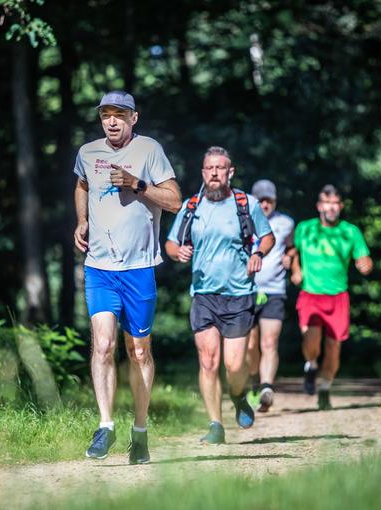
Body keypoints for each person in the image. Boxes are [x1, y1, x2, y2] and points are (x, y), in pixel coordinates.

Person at [73, 90, 182, 464]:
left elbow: (174, 200)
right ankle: (105, 425)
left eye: (120, 114)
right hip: (100, 267)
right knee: (103, 345)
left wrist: (137, 184)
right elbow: (81, 184)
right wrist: (82, 219)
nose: (112, 121)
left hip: (139, 268)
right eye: (106, 115)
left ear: (134, 118)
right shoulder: (88, 152)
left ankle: (140, 430)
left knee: (138, 351)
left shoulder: (149, 150)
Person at [165, 146, 275, 444]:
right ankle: (215, 424)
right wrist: (179, 253)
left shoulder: (246, 204)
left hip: (239, 294)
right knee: (208, 360)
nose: (214, 173)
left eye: (220, 168)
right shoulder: (191, 207)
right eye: (209, 168)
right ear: (203, 172)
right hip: (203, 294)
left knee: (235, 365)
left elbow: (267, 237)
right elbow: (171, 244)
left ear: (230, 172)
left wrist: (258, 253)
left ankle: (238, 396)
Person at [290, 185, 373, 410]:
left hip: (338, 296)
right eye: (327, 202)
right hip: (311, 294)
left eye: (335, 203)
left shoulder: (350, 231)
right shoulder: (305, 229)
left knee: (334, 347)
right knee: (311, 339)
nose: (331, 207)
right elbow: (292, 252)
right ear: (319, 206)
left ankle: (325, 389)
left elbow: (364, 259)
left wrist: (365, 265)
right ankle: (311, 364)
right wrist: (296, 269)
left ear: (341, 207)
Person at [245, 179, 295, 412]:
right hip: (245, 289)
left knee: (269, 342)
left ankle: (267, 387)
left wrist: (291, 258)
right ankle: (255, 381)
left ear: (275, 201)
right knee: (249, 345)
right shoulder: (242, 218)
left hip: (274, 289)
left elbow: (291, 246)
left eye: (269, 200)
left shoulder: (286, 223)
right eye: (261, 200)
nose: (265, 204)